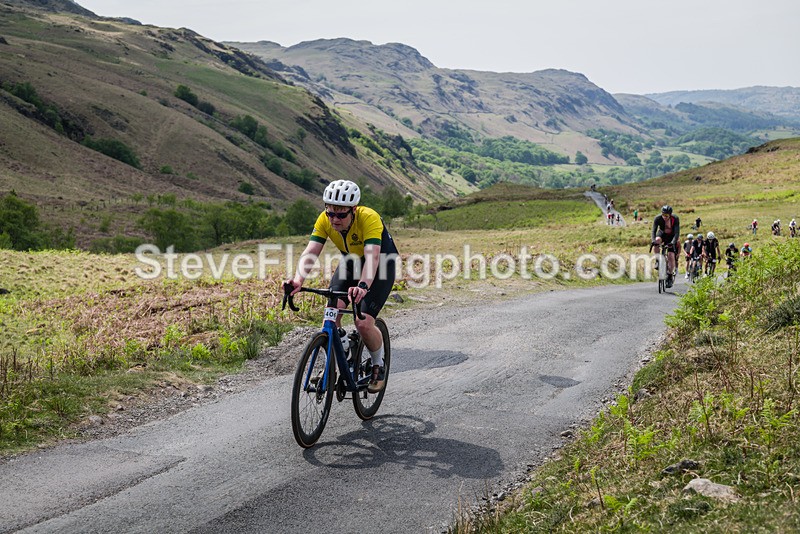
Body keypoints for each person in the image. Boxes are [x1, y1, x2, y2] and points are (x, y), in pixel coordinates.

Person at [285, 180, 399, 393]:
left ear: (353, 210)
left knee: (363, 322)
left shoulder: (369, 218)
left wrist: (363, 286)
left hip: (381, 265)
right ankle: (337, 359)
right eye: (330, 213)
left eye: (341, 215)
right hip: (351, 262)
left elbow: (372, 258)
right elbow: (311, 252)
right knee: (331, 314)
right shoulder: (324, 219)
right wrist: (298, 280)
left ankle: (378, 363)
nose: (334, 219)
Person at [651, 205, 680, 288]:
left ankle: (670, 275)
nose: (664, 217)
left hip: (671, 236)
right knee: (656, 241)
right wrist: (653, 241)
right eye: (663, 215)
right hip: (662, 234)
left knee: (671, 256)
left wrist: (673, 242)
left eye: (666, 215)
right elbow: (653, 231)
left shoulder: (675, 218)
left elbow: (677, 233)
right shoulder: (658, 218)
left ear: (670, 215)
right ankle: (657, 260)